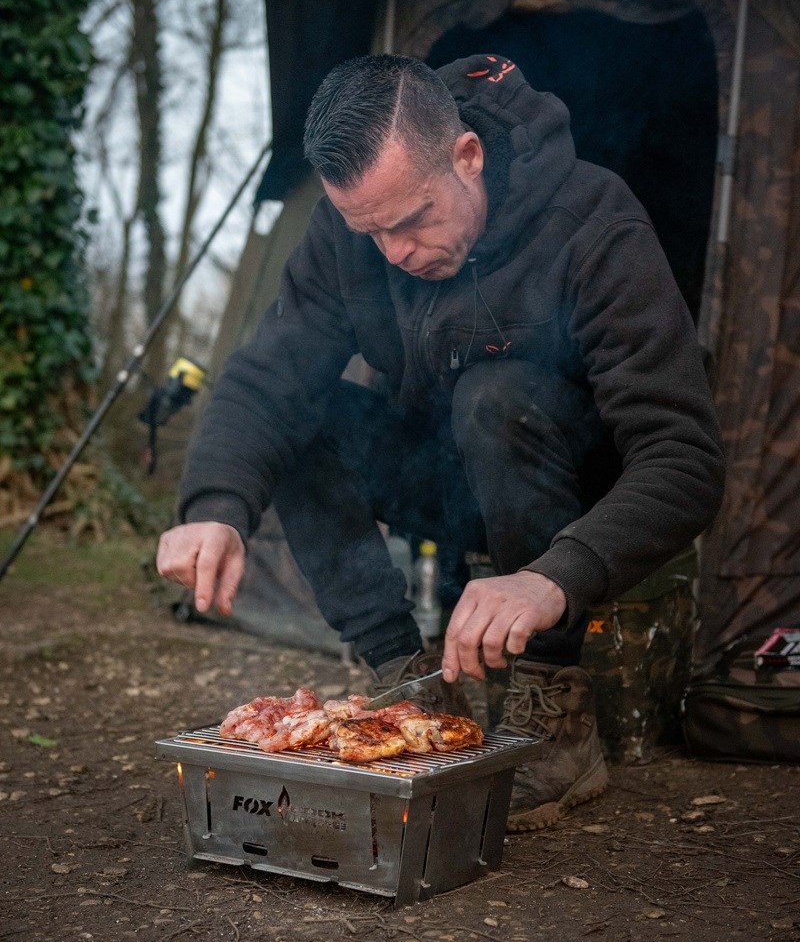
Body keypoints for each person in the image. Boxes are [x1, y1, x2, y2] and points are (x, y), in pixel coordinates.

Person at [157, 54, 725, 830]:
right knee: (303, 418)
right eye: (370, 231)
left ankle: (555, 707)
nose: (394, 251)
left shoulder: (593, 221)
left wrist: (553, 576)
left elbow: (686, 459)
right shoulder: (352, 237)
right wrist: (215, 505)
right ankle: (408, 681)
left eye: (413, 219)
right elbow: (268, 379)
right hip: (446, 478)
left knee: (495, 397)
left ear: (468, 156)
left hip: (575, 494)